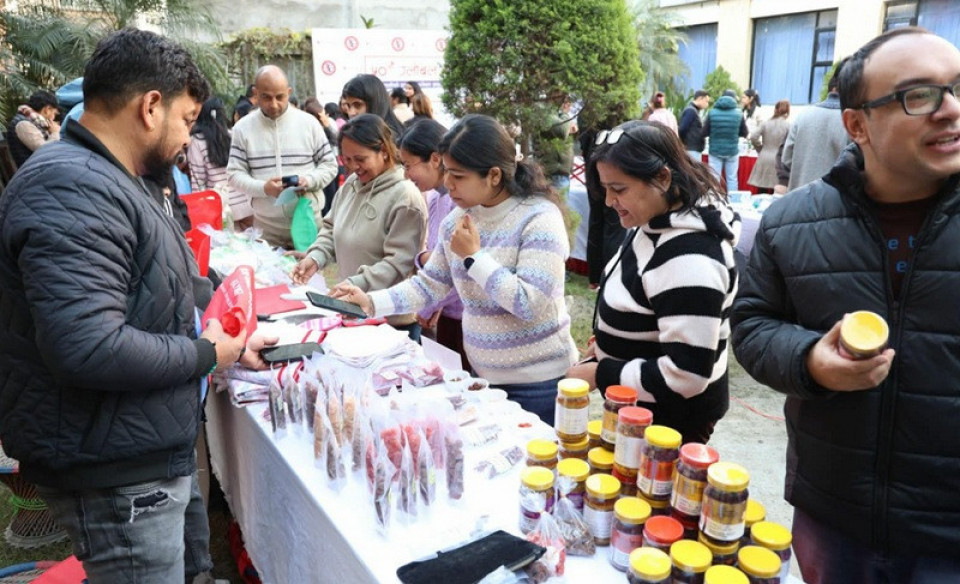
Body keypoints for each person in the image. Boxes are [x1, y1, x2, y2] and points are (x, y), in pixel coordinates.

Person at [0, 29, 278, 583]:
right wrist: (205, 354)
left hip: (140, 444)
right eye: (187, 120)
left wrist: (233, 338)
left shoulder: (118, 177)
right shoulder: (71, 186)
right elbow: (88, 347)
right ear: (150, 106)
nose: (187, 138)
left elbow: (156, 285)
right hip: (112, 468)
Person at [731, 27, 960, 583]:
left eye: (956, 88)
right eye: (919, 95)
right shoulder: (790, 222)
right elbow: (753, 325)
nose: (949, 110)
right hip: (833, 513)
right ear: (858, 124)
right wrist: (810, 360)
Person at [331, 115, 578, 423]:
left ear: (494, 176)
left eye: (458, 176)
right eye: (447, 171)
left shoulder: (539, 218)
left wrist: (475, 257)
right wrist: (371, 302)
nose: (447, 184)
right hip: (481, 376)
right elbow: (429, 286)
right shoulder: (456, 221)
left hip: (538, 383)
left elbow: (529, 304)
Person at [567, 121, 739, 443]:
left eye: (619, 189)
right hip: (642, 405)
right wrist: (611, 342)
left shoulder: (690, 258)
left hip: (670, 421)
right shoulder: (654, 221)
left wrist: (601, 373)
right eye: (605, 189)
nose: (608, 202)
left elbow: (686, 373)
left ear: (662, 177)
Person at [291, 114, 426, 339]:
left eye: (360, 159)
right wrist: (315, 258)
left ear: (383, 150)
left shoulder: (405, 196)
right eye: (347, 159)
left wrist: (356, 283)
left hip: (391, 319)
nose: (354, 167)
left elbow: (398, 263)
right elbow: (331, 229)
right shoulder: (352, 185)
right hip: (353, 310)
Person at [227, 65, 338, 248]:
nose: (274, 104)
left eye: (280, 97)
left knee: (310, 275)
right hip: (267, 227)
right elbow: (234, 174)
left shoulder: (309, 124)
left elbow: (330, 165)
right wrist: (264, 188)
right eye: (266, 97)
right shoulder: (242, 128)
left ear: (289, 92)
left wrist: (308, 180)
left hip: (307, 220)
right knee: (271, 276)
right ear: (255, 94)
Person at [398, 118, 468, 368]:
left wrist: (429, 305)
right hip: (447, 314)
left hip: (464, 316)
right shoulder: (434, 199)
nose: (406, 175)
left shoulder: (460, 204)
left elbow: (457, 268)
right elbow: (435, 257)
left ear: (436, 159)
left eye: (409, 165)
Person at [781, 59, 851, 192]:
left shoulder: (803, 115)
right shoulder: (854, 124)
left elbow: (787, 159)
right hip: (835, 206)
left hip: (798, 200)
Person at [188, 97, 254, 229]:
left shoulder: (197, 142)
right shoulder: (234, 135)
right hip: (246, 206)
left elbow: (198, 182)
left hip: (220, 209)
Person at [579, 128, 627, 290]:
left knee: (598, 221)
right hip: (607, 165)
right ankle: (608, 278)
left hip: (594, 164)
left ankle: (596, 277)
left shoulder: (588, 119)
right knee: (613, 226)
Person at [702, 89, 749, 193]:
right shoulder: (739, 114)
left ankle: (714, 202)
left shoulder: (712, 113)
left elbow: (704, 132)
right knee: (732, 179)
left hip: (715, 151)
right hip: (732, 151)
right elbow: (745, 133)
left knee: (714, 178)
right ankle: (733, 203)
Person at [532, 100, 577, 200]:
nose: (568, 103)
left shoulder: (556, 114)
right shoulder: (545, 112)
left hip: (560, 173)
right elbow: (562, 131)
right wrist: (565, 114)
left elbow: (574, 128)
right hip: (553, 174)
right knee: (559, 210)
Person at [340, 74, 406, 140]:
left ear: (375, 104)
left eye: (358, 105)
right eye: (348, 106)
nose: (351, 113)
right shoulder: (357, 133)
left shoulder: (392, 140)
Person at [6, 90, 60, 167]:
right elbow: (44, 151)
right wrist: (55, 133)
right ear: (47, 109)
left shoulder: (35, 122)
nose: (54, 117)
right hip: (36, 173)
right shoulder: (23, 124)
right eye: (54, 113)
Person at [747, 99, 790, 192]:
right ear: (787, 112)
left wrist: (761, 149)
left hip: (764, 156)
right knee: (777, 191)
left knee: (761, 189)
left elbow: (753, 137)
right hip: (780, 160)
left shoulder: (765, 123)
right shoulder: (788, 126)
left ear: (775, 109)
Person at [678, 89, 710, 161]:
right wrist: (684, 143)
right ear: (700, 98)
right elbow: (682, 129)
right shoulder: (691, 111)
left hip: (693, 148)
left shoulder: (694, 111)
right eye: (706, 101)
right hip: (691, 149)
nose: (707, 104)